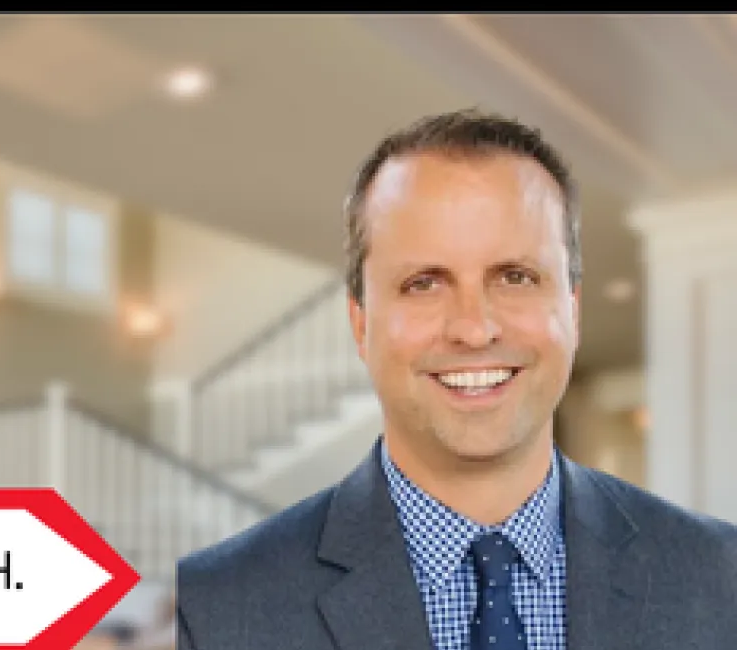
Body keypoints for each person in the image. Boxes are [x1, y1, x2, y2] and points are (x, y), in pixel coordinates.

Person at [174, 108, 737, 649]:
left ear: (573, 310)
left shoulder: (720, 578)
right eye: (423, 283)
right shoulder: (215, 609)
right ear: (360, 323)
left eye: (515, 276)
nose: (474, 328)